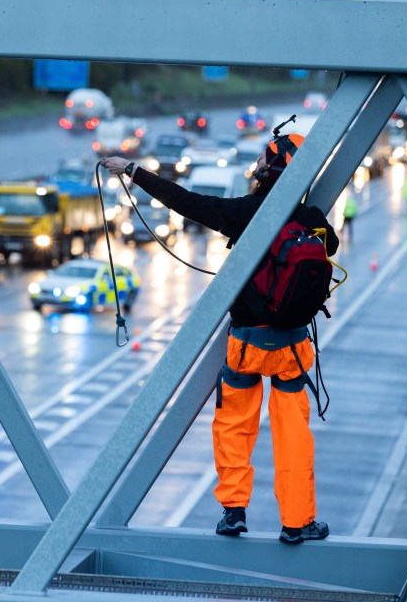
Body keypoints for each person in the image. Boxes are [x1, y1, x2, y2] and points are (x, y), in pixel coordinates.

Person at [102, 132, 338, 545]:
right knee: (293, 436)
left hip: (246, 344)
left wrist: (134, 171)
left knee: (233, 426)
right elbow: (331, 244)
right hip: (292, 350)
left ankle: (233, 512)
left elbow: (187, 202)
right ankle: (297, 521)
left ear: (268, 169)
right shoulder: (310, 218)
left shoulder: (244, 212)